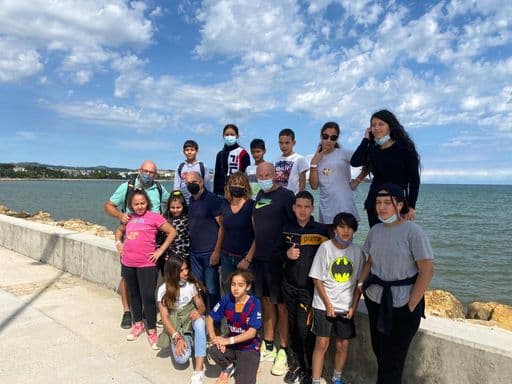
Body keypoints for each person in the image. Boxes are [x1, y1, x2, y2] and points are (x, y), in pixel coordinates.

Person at [360, 184, 434, 384]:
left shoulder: (413, 232)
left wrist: (412, 304)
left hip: (402, 304)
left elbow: (427, 270)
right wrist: (360, 286)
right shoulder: (375, 230)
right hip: (376, 299)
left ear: (400, 204)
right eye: (378, 202)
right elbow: (369, 261)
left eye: (387, 203)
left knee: (393, 360)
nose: (381, 207)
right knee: (380, 353)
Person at [104, 160, 170, 329]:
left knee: (152, 278)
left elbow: (173, 204)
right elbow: (109, 205)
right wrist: (120, 216)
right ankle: (127, 311)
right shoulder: (128, 187)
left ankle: (150, 312)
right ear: (140, 170)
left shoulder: (160, 189)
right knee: (127, 278)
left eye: (153, 172)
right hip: (131, 239)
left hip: (154, 241)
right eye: (146, 171)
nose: (149, 175)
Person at [246, 162, 295, 376]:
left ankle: (283, 350)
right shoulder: (259, 196)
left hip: (279, 261)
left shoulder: (287, 195)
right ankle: (268, 343)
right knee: (265, 303)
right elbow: (257, 227)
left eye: (268, 174)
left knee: (281, 306)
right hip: (260, 260)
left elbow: (295, 226)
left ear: (275, 175)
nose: (264, 177)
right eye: (260, 175)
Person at [113, 189, 176, 349]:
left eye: (142, 203)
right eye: (136, 204)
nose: (140, 206)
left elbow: (172, 232)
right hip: (128, 262)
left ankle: (152, 330)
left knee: (147, 296)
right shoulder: (129, 218)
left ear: (147, 202)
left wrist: (160, 251)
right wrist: (118, 243)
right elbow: (119, 231)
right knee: (134, 295)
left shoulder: (154, 217)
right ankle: (138, 324)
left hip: (147, 264)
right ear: (131, 205)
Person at [309, 212, 364, 384]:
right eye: (341, 226)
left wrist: (354, 306)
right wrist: (328, 304)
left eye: (349, 227)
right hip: (323, 304)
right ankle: (316, 380)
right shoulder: (325, 248)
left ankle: (337, 378)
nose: (345, 231)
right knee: (322, 343)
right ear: (334, 229)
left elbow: (359, 283)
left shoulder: (357, 252)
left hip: (345, 305)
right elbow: (316, 278)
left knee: (343, 345)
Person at [281, 191, 329, 383]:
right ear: (293, 207)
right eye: (299, 206)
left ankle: (310, 369)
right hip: (288, 285)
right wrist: (286, 253)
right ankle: (297, 365)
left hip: (309, 290)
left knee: (305, 329)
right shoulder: (286, 228)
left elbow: (330, 258)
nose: (302, 210)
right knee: (293, 327)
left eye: (307, 206)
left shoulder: (321, 230)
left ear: (312, 208)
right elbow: (276, 252)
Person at [350, 110, 420, 227]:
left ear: (390, 127)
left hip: (396, 202)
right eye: (373, 125)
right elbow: (355, 162)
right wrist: (366, 140)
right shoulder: (373, 149)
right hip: (375, 202)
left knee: (396, 239)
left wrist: (411, 206)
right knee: (378, 237)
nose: (376, 128)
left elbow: (414, 179)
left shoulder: (404, 149)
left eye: (381, 124)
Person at [157, 256, 207, 384]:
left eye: (186, 269)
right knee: (182, 359)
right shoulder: (163, 290)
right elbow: (165, 318)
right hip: (175, 324)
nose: (186, 272)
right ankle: (188, 339)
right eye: (181, 270)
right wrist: (176, 338)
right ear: (173, 272)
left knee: (200, 322)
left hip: (189, 318)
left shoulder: (191, 285)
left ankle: (198, 371)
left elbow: (201, 306)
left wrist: (199, 311)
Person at [206, 270, 262, 384]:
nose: (236, 288)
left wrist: (227, 340)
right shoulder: (228, 299)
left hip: (249, 348)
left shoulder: (254, 303)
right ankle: (229, 366)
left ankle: (250, 365)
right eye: (233, 284)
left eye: (240, 285)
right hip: (232, 345)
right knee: (213, 350)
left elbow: (251, 333)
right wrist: (214, 338)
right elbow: (209, 318)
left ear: (248, 287)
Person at [309, 122, 361, 224]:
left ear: (336, 139)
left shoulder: (343, 153)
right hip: (326, 209)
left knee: (345, 239)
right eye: (325, 136)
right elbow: (314, 186)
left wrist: (358, 180)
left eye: (333, 138)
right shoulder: (316, 158)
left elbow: (367, 161)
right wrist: (313, 164)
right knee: (328, 240)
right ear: (321, 136)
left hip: (345, 207)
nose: (328, 140)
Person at [186, 171, 223, 312]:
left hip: (209, 252)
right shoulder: (191, 200)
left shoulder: (212, 199)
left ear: (201, 182)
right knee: (198, 287)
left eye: (193, 182)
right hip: (194, 253)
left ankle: (216, 323)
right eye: (188, 183)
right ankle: (202, 318)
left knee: (213, 290)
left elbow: (222, 226)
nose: (191, 185)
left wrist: (217, 251)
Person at [219, 172, 255, 293]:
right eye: (234, 184)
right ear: (229, 186)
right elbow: (222, 229)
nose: (237, 187)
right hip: (226, 257)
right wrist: (216, 251)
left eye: (241, 184)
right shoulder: (224, 205)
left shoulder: (251, 206)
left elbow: (258, 235)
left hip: (244, 258)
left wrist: (248, 259)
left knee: (246, 294)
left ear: (246, 187)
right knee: (228, 291)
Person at [157, 190, 190, 275]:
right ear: (168, 207)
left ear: (183, 206)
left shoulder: (187, 218)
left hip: (183, 256)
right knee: (169, 279)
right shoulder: (164, 219)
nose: (175, 210)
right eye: (172, 207)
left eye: (178, 207)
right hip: (168, 257)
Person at [213, 124, 251, 196]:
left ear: (237, 136)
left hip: (237, 193)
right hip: (221, 194)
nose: (229, 136)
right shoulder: (220, 154)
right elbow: (217, 176)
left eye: (232, 134)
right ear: (223, 136)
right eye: (227, 135)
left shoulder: (243, 153)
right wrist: (215, 193)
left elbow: (246, 175)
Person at [274, 128, 309, 195]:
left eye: (287, 143)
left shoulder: (299, 159)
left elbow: (302, 182)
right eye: (281, 143)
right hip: (278, 197)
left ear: (293, 143)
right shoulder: (275, 160)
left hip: (293, 198)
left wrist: (299, 199)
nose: (284, 146)